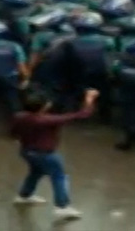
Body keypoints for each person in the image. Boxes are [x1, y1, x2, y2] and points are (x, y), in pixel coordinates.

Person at [9, 88, 96, 220]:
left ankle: (24, 195)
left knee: (35, 173)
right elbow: (82, 114)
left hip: (27, 151)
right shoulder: (47, 120)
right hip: (45, 154)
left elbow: (13, 133)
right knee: (59, 177)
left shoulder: (20, 116)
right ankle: (62, 206)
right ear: (44, 106)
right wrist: (89, 99)